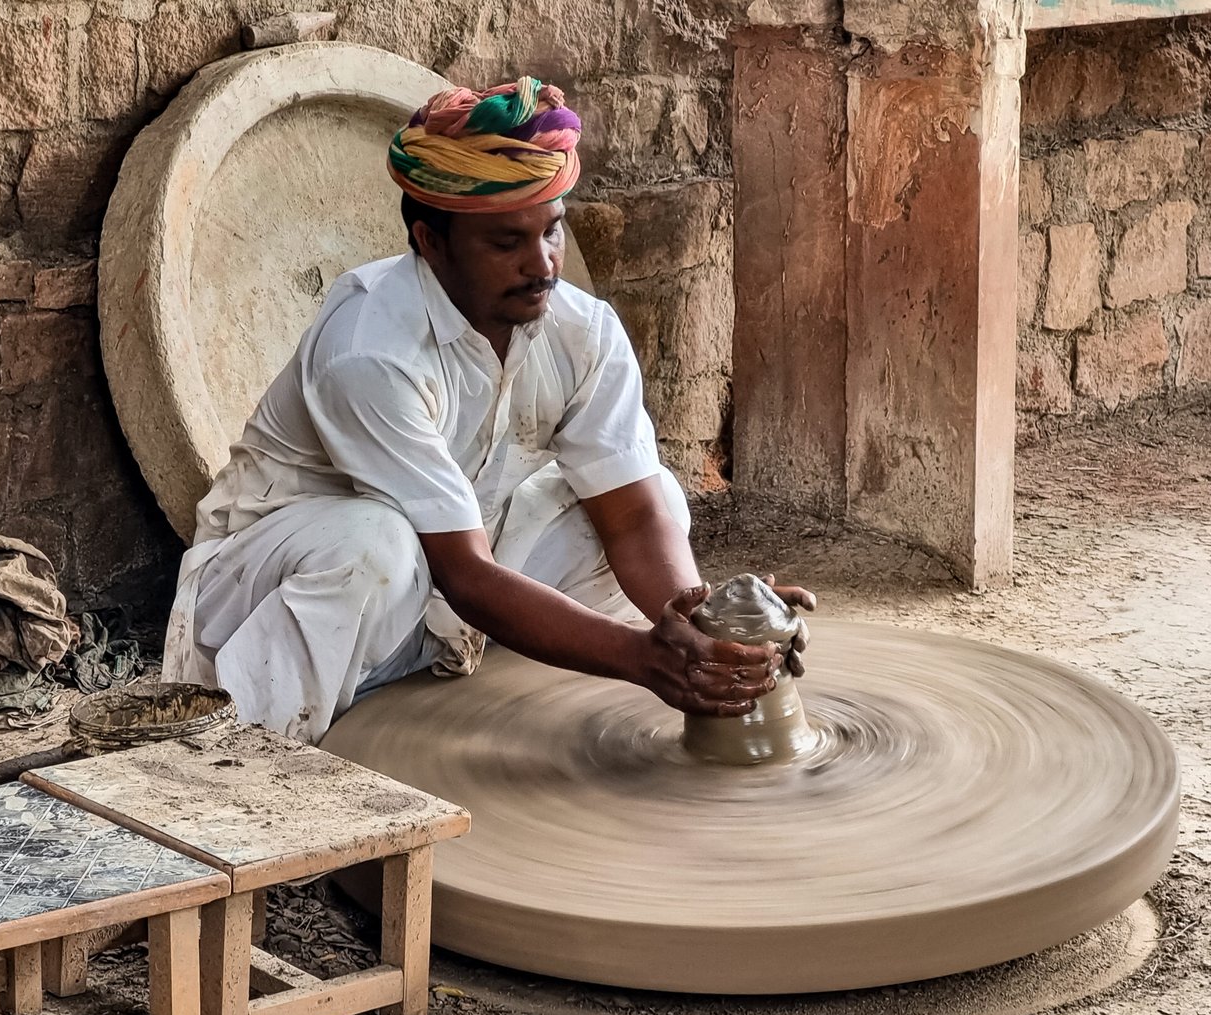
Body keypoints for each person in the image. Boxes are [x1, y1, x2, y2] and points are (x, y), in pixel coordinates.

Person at [162, 76, 812, 743]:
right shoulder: (371, 350)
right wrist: (639, 658)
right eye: (507, 244)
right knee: (375, 545)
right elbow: (466, 573)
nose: (543, 265)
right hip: (277, 592)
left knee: (660, 503)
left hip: (434, 588)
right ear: (432, 241)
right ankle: (246, 754)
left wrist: (704, 628)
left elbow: (632, 515)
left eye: (552, 232)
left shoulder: (580, 331)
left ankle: (423, 706)